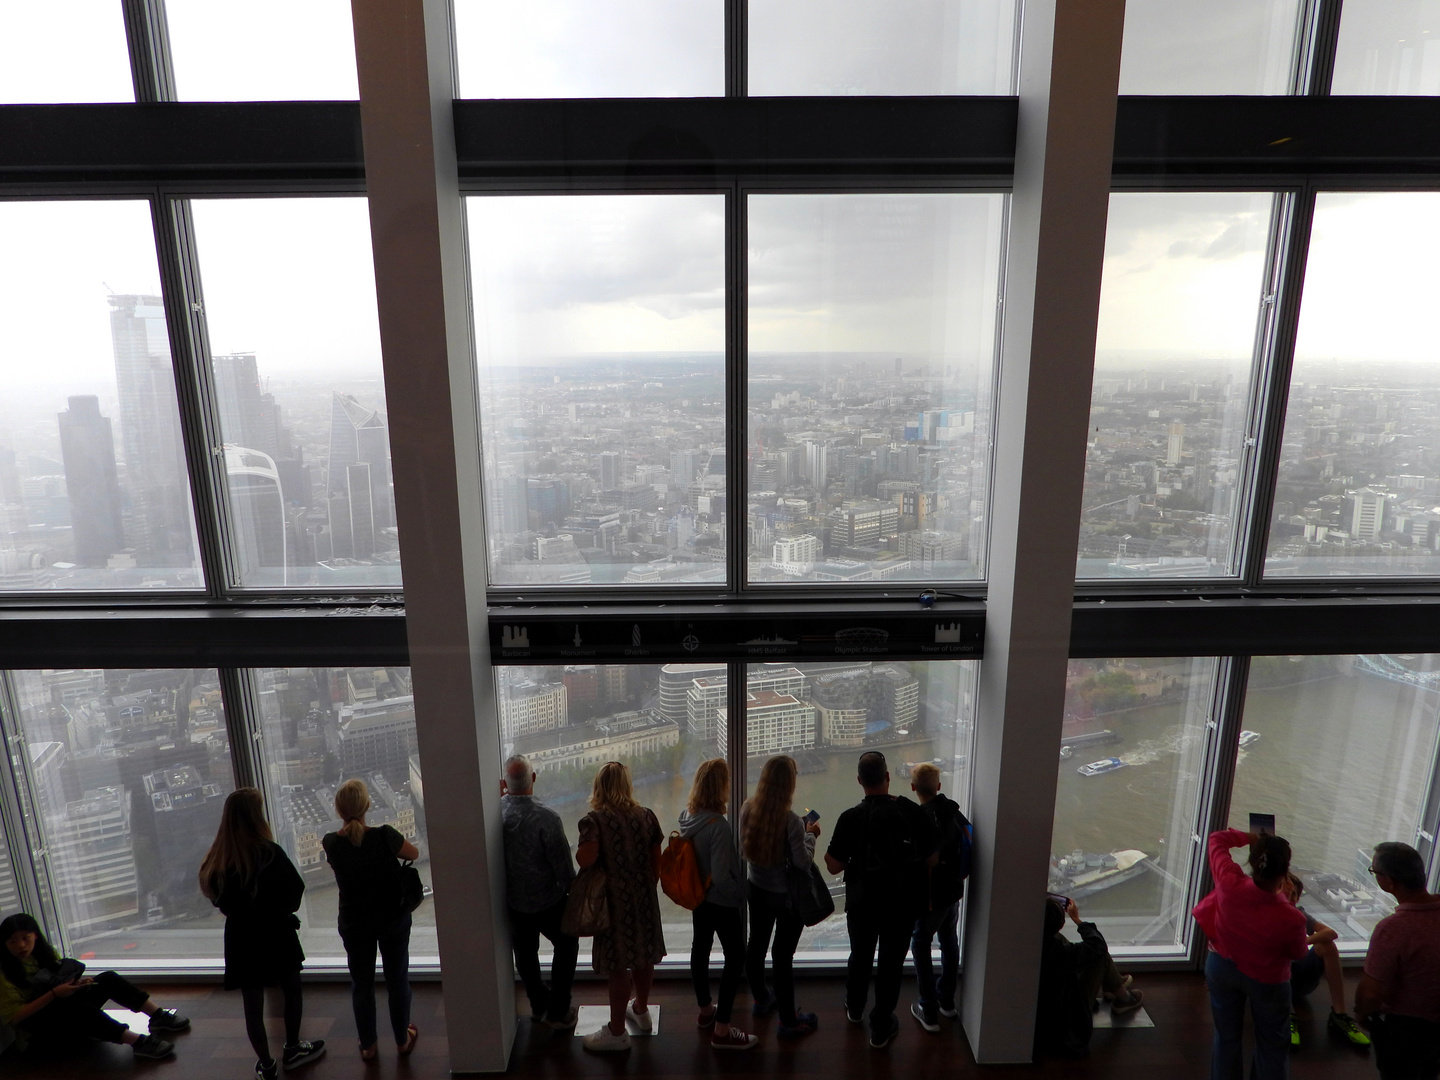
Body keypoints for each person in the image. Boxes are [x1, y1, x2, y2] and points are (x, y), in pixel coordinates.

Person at [200, 787, 326, 1080]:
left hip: (241, 938)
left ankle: (266, 1064)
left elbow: (215, 896)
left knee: (252, 1005)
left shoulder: (218, 858)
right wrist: (280, 911)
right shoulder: (269, 852)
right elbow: (295, 890)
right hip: (276, 932)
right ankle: (293, 1048)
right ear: (256, 816)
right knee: (291, 990)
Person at [824, 750, 939, 1049]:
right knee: (890, 964)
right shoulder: (913, 813)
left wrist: (858, 861)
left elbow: (833, 865)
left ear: (859, 781)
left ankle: (854, 1006)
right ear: (888, 777)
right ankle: (880, 1026)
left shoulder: (850, 818)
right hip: (901, 904)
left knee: (860, 956)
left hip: (862, 903)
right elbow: (932, 859)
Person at [1192, 828, 1308, 1080]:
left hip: (1221, 967)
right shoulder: (1292, 916)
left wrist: (1251, 837)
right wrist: (1288, 902)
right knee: (1272, 1045)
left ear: (1254, 863)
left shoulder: (1229, 881)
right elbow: (1298, 954)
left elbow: (1216, 840)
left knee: (1226, 1037)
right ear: (1284, 871)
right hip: (1268, 981)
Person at [322, 778, 421, 1060]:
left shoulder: (331, 843)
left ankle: (368, 1046)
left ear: (339, 810)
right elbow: (414, 853)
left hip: (355, 924)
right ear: (368, 806)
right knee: (397, 979)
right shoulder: (385, 836)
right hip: (392, 918)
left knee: (361, 985)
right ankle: (402, 1039)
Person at [0, 912, 182, 1061]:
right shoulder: (4, 973)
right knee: (75, 1008)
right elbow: (16, 1018)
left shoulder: (43, 954)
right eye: (13, 942)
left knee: (107, 979)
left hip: (60, 1002)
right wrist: (55, 994)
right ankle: (138, 1042)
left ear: (35, 936)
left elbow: (56, 981)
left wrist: (76, 985)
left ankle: (157, 1015)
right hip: (38, 1031)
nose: (21, 945)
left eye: (25, 938)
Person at [577, 761, 667, 1053]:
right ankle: (640, 1010)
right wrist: (642, 886)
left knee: (618, 965)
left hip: (614, 902)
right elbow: (657, 865)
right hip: (644, 897)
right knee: (643, 957)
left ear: (599, 787)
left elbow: (585, 860)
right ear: (627, 786)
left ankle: (616, 1032)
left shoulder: (595, 821)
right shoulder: (647, 817)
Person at [739, 754, 821, 1040]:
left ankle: (762, 999)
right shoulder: (791, 821)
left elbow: (743, 849)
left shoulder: (747, 808)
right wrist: (811, 835)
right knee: (782, 956)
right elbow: (802, 862)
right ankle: (789, 1021)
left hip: (756, 889)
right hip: (786, 898)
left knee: (756, 945)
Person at [678, 758, 756, 1050]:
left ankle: (705, 1010)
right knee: (736, 957)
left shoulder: (688, 816)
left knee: (700, 949)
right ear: (720, 788)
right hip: (721, 901)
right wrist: (740, 894)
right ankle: (722, 1029)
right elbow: (722, 876)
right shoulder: (718, 826)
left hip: (698, 897)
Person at [500, 753, 579, 1031]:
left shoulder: (495, 813)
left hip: (513, 902)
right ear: (533, 778)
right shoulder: (547, 818)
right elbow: (565, 872)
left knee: (525, 954)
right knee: (567, 945)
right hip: (548, 901)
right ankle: (558, 1009)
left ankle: (538, 1004)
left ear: (504, 784)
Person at [1355, 842, 1440, 1080]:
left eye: (1374, 872)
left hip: (1405, 1031)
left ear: (1389, 882)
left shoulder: (1392, 929)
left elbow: (1371, 994)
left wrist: (1360, 1012)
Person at [1034, 897, 1143, 1057]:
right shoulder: (1063, 953)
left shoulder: (1033, 945)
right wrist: (1077, 919)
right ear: (1061, 924)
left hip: (1043, 1019)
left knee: (1069, 943)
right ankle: (1122, 996)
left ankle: (1113, 984)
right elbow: (1098, 945)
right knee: (1100, 956)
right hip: (1069, 1020)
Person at [907, 763, 970, 1030]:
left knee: (920, 943)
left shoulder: (919, 819)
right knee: (948, 940)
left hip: (931, 897)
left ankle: (928, 1008)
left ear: (913, 788)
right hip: (953, 891)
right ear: (939, 786)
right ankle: (946, 1001)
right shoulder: (956, 813)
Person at [1279, 873, 1370, 1048]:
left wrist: (1301, 942)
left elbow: (1331, 933)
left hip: (1298, 977)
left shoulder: (1299, 914)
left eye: (1293, 895)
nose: (1290, 898)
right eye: (1286, 892)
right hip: (1274, 981)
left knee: (1326, 945)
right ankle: (1286, 1016)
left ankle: (1339, 1014)